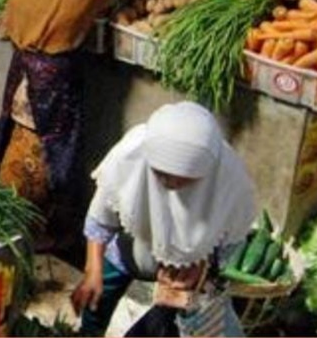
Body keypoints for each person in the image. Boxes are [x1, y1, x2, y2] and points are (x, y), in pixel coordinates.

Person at [0, 0, 157, 245]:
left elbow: (1, 26)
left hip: (22, 79)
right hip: (53, 85)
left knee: (19, 140)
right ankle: (41, 232)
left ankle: (9, 217)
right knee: (55, 151)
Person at [72, 102, 257, 337]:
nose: (171, 185)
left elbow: (231, 242)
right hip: (131, 247)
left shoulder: (231, 181)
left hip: (186, 267)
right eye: (161, 175)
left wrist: (202, 267)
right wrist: (93, 270)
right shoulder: (131, 155)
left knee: (174, 323)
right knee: (96, 299)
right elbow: (100, 220)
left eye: (184, 179)